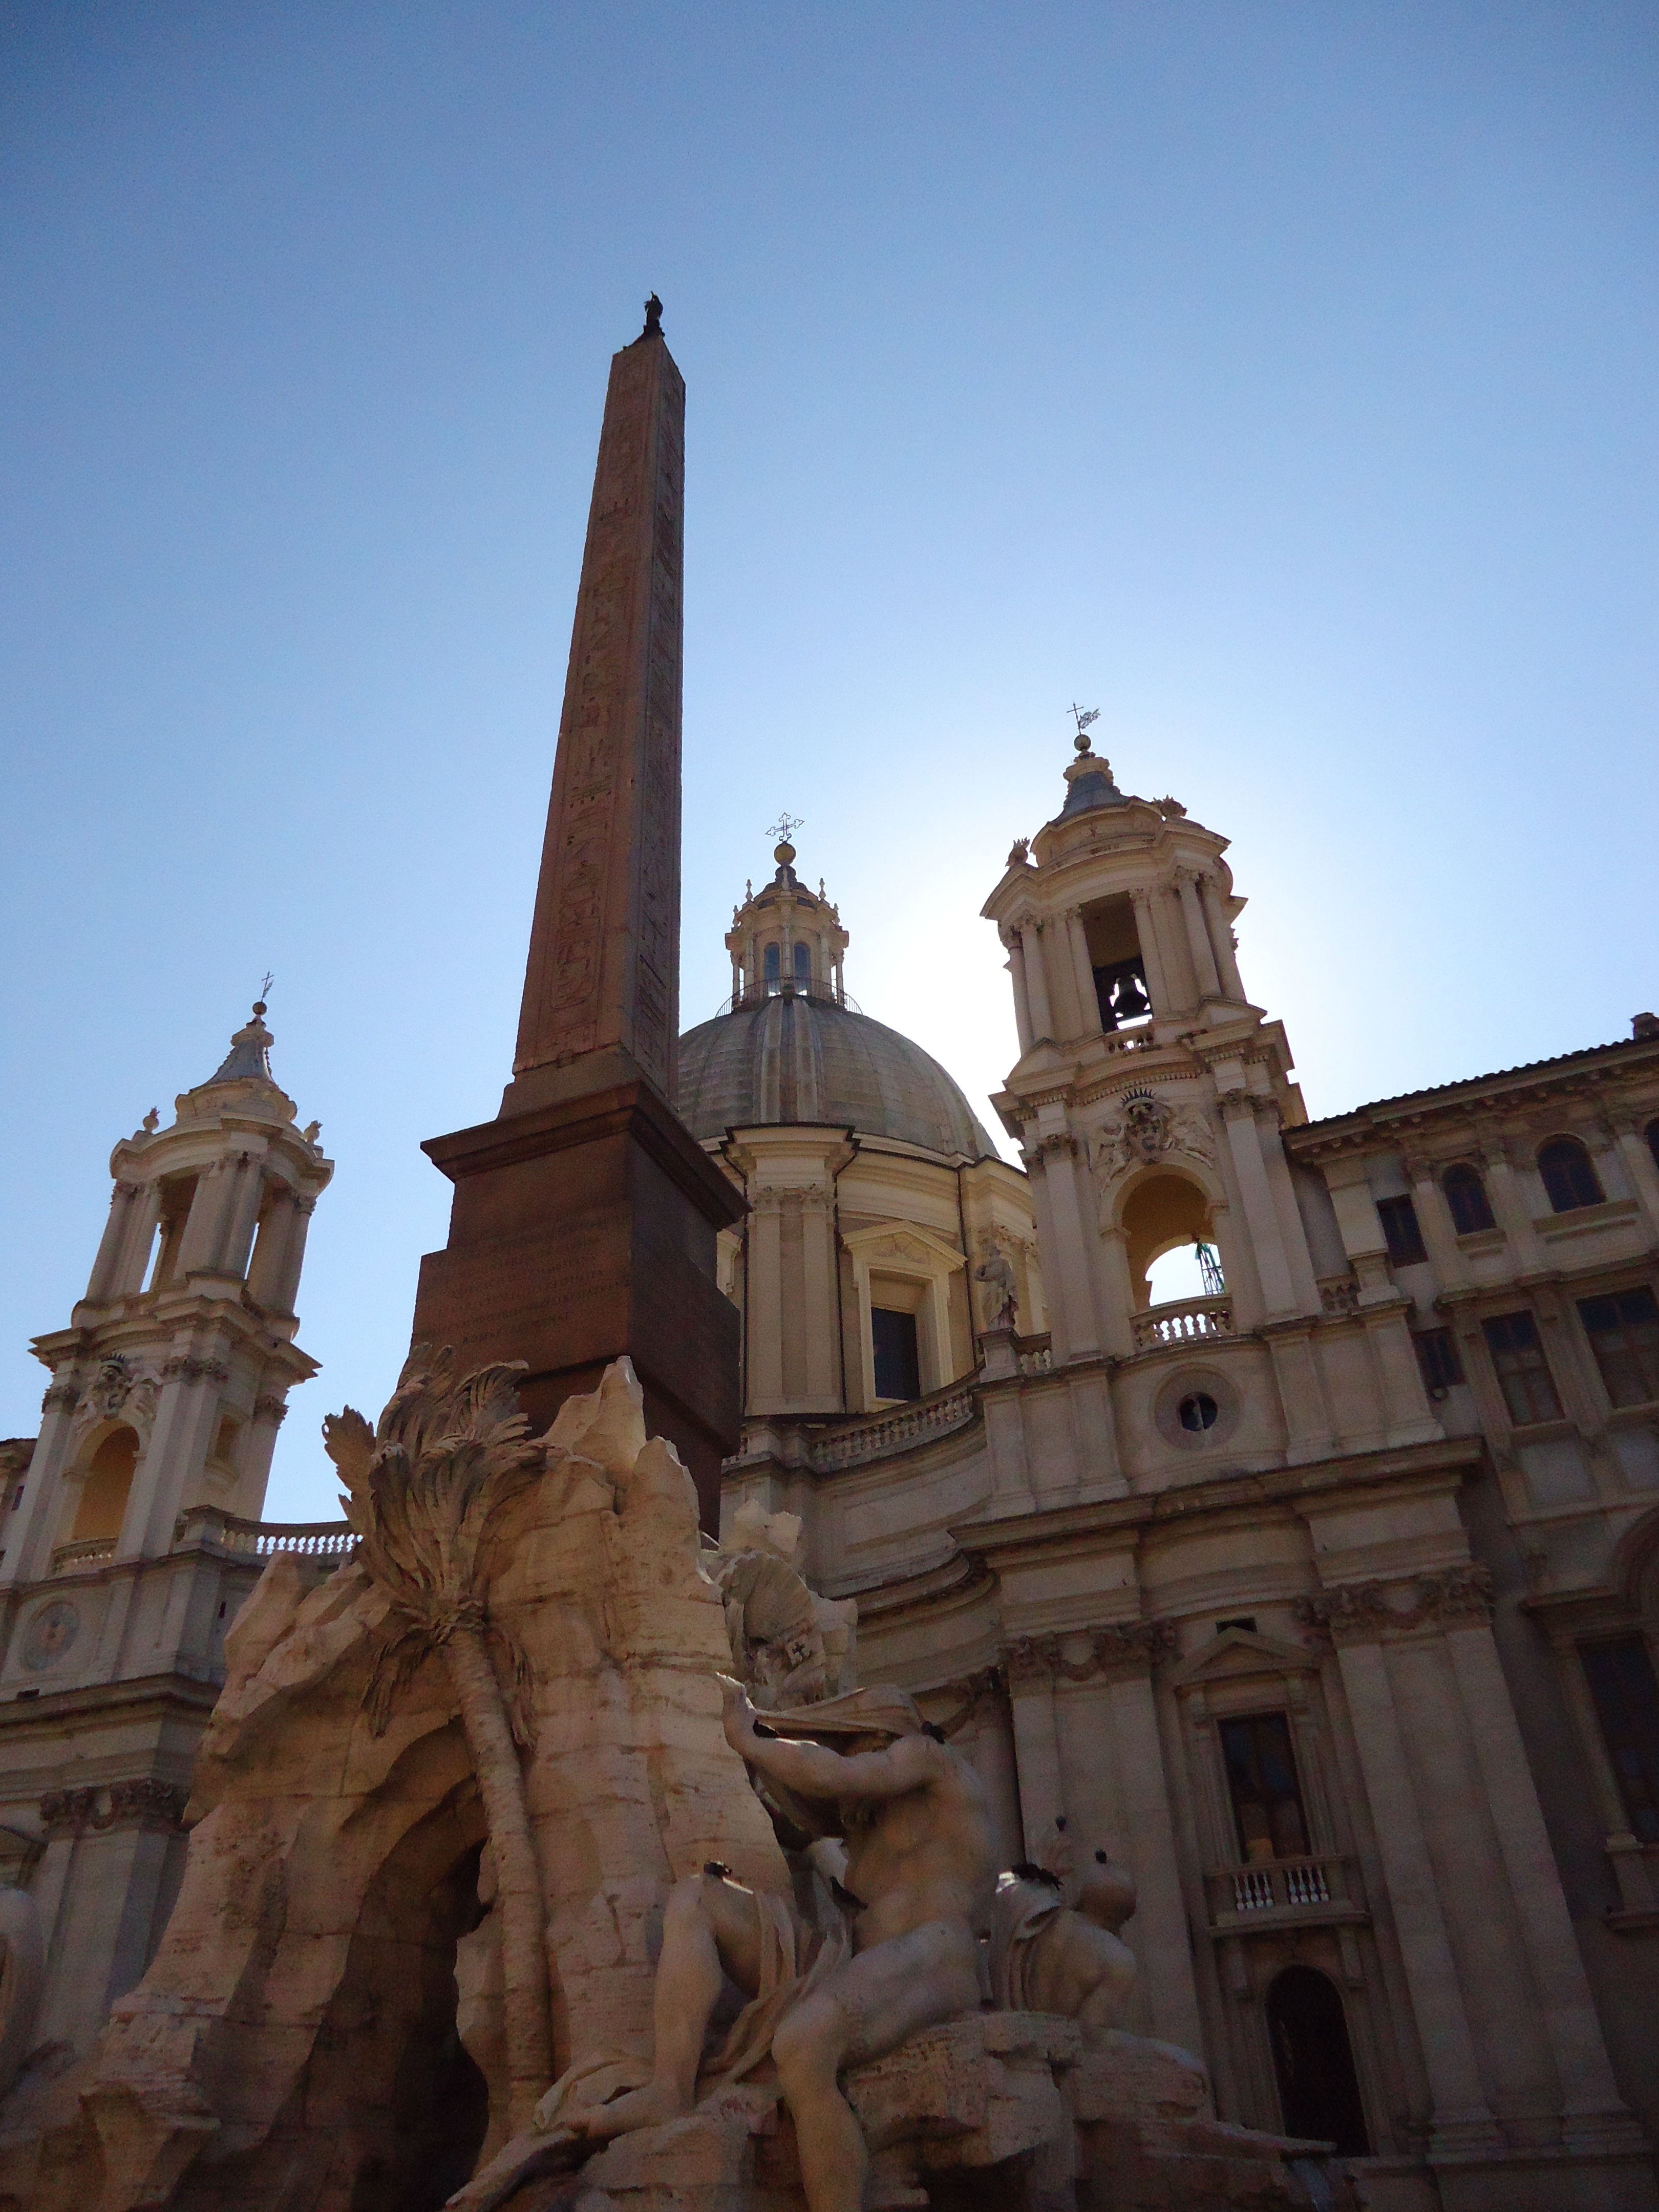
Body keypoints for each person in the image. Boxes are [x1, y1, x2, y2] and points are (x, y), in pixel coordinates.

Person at [454, 1679, 996, 2212]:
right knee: (698, 1899)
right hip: (849, 1958)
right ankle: (670, 2088)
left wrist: (750, 1739)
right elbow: (813, 1800)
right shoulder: (867, 1824)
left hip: (940, 1953)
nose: (842, 1761)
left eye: (848, 1743)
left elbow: (834, 1774)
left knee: (803, 2044)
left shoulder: (930, 1759)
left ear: (880, 1738)